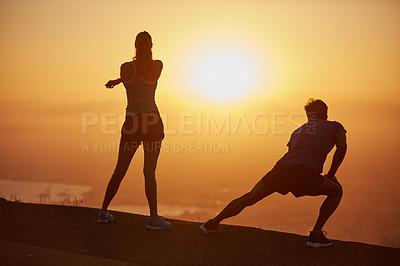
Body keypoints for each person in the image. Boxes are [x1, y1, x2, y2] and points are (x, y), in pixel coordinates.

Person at [200, 99, 347, 248]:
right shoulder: (335, 126)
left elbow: (292, 153)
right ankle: (315, 235)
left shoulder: (297, 131)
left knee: (249, 197)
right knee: (336, 191)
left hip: (281, 168)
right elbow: (341, 147)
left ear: (308, 115)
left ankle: (212, 223)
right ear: (325, 113)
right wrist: (330, 174)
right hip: (305, 173)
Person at [98, 31, 172, 230]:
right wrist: (117, 81)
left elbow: (131, 76)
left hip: (132, 124)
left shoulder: (125, 68)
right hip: (152, 122)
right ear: (151, 46)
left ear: (135, 46)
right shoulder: (158, 65)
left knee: (119, 170)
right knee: (149, 172)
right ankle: (153, 218)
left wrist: (117, 81)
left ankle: (103, 212)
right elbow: (145, 72)